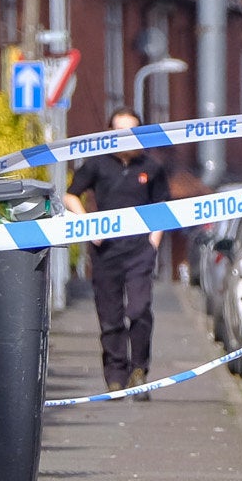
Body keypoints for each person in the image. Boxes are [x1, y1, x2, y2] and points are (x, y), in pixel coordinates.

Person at [68, 110, 171, 392]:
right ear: (110, 133)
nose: (126, 137)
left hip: (140, 250)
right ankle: (115, 376)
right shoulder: (97, 165)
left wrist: (154, 241)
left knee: (138, 309)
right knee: (110, 316)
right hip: (106, 252)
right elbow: (70, 195)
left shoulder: (152, 167)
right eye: (120, 131)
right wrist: (88, 227)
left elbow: (162, 206)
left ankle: (139, 369)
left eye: (132, 131)